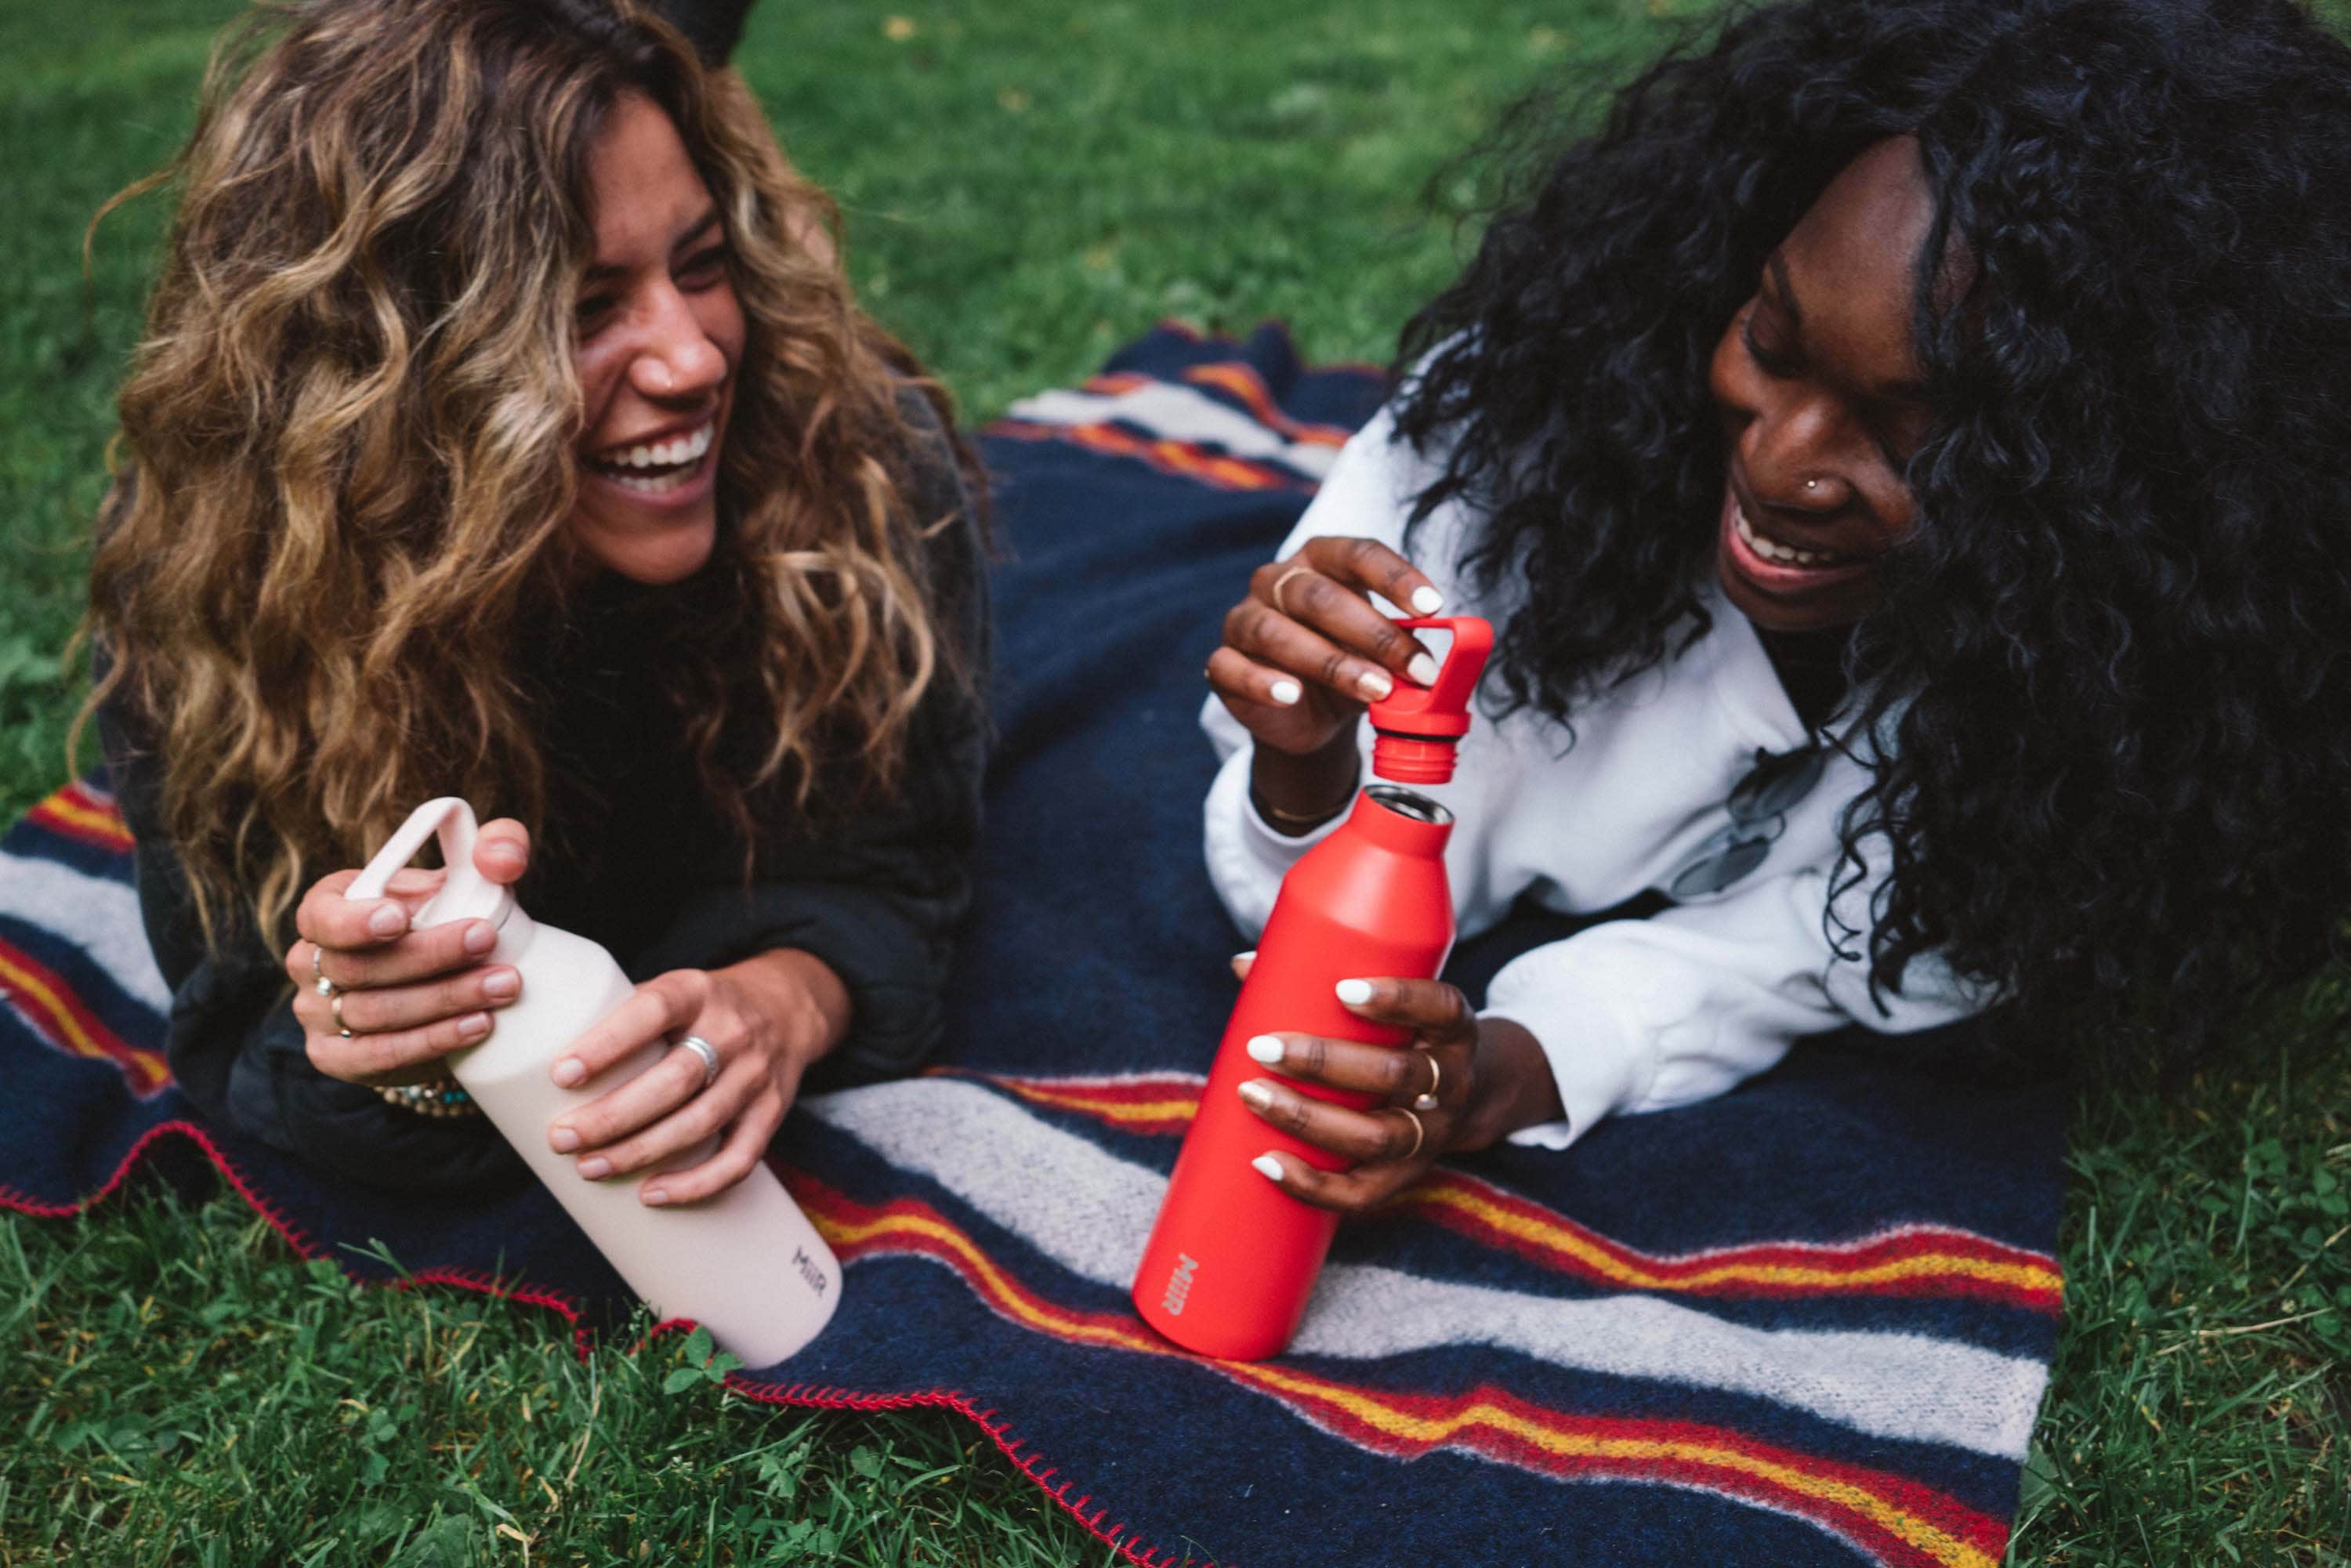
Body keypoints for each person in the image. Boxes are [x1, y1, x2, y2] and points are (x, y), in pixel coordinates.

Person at [1202, 0, 2351, 1213]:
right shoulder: (1500, 469)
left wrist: (1510, 1068)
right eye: (1772, 339)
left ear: (2118, 490)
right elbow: (1333, 901)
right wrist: (1308, 767)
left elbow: (1806, 958)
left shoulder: (2098, 727)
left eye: (1915, 436)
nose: (1785, 463)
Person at [80, 0, 987, 1200]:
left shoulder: (850, 456)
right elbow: (239, 1018)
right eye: (580, 308)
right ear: (382, 371)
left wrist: (788, 1000)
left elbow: (901, 873)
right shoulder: (227, 584)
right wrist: (397, 1052)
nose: (694, 359)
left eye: (700, 266)